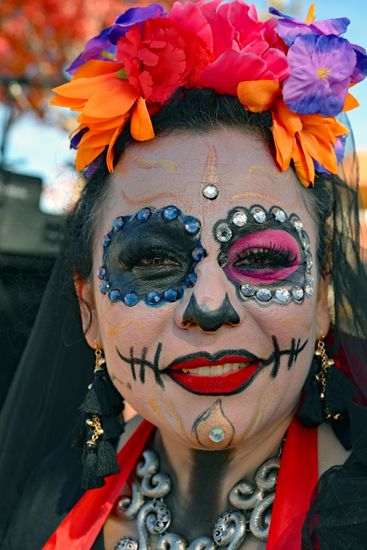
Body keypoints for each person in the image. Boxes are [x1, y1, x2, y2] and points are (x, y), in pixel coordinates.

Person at [1, 1, 367, 548]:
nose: (210, 306)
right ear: (88, 311)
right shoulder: (49, 506)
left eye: (263, 259)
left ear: (319, 299)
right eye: (152, 261)